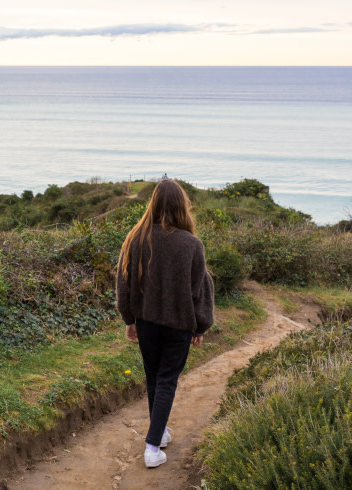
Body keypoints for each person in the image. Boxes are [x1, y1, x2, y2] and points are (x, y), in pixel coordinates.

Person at [115, 177, 215, 469]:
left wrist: (129, 319)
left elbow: (124, 283)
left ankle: (158, 434)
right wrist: (200, 326)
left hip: (146, 322)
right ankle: (151, 447)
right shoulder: (192, 244)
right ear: (182, 206)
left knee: (154, 378)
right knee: (167, 380)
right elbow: (200, 288)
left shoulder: (136, 238)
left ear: (154, 203)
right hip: (178, 325)